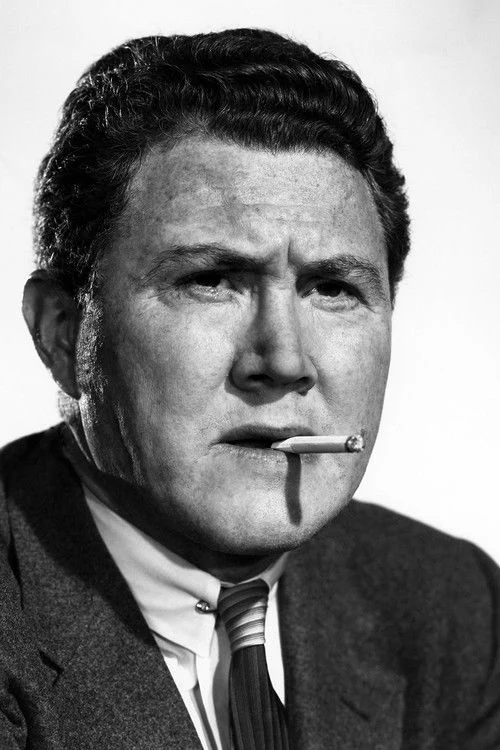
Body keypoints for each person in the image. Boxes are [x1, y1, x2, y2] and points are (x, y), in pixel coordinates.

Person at [0, 28, 499, 750]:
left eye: (333, 288)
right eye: (210, 280)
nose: (284, 360)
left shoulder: (455, 607)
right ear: (61, 332)